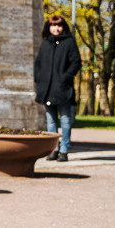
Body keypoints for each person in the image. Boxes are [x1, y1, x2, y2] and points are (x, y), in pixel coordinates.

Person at [34, 14, 82, 162]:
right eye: (53, 25)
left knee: (66, 119)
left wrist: (65, 77)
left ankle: (64, 150)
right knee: (51, 121)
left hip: (63, 89)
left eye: (59, 25)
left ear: (63, 27)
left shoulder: (69, 42)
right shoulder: (46, 44)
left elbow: (76, 62)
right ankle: (53, 149)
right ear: (49, 27)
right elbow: (38, 64)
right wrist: (39, 80)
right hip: (47, 89)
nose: (56, 28)